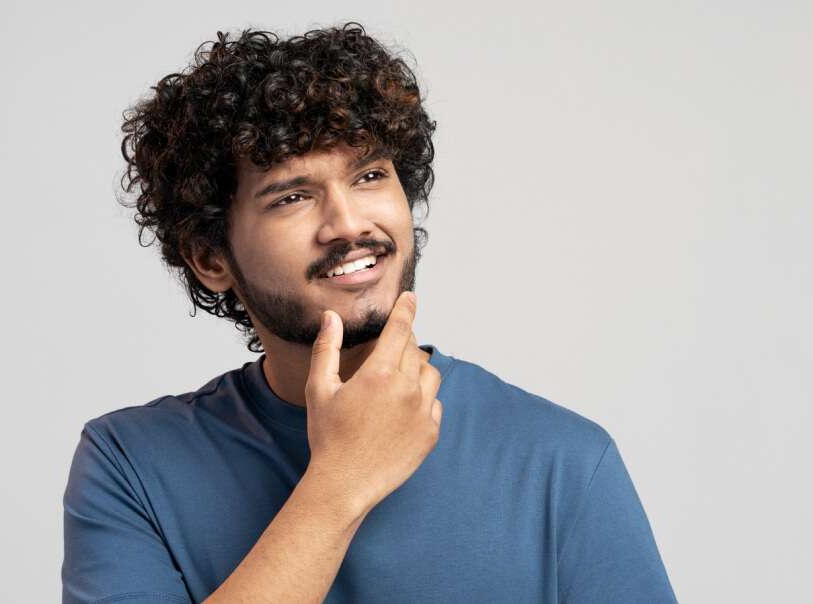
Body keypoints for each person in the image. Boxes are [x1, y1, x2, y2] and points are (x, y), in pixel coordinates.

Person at [61, 23, 677, 603]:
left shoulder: (563, 460)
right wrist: (340, 481)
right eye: (292, 197)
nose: (349, 223)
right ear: (209, 258)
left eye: (370, 175)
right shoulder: (130, 464)